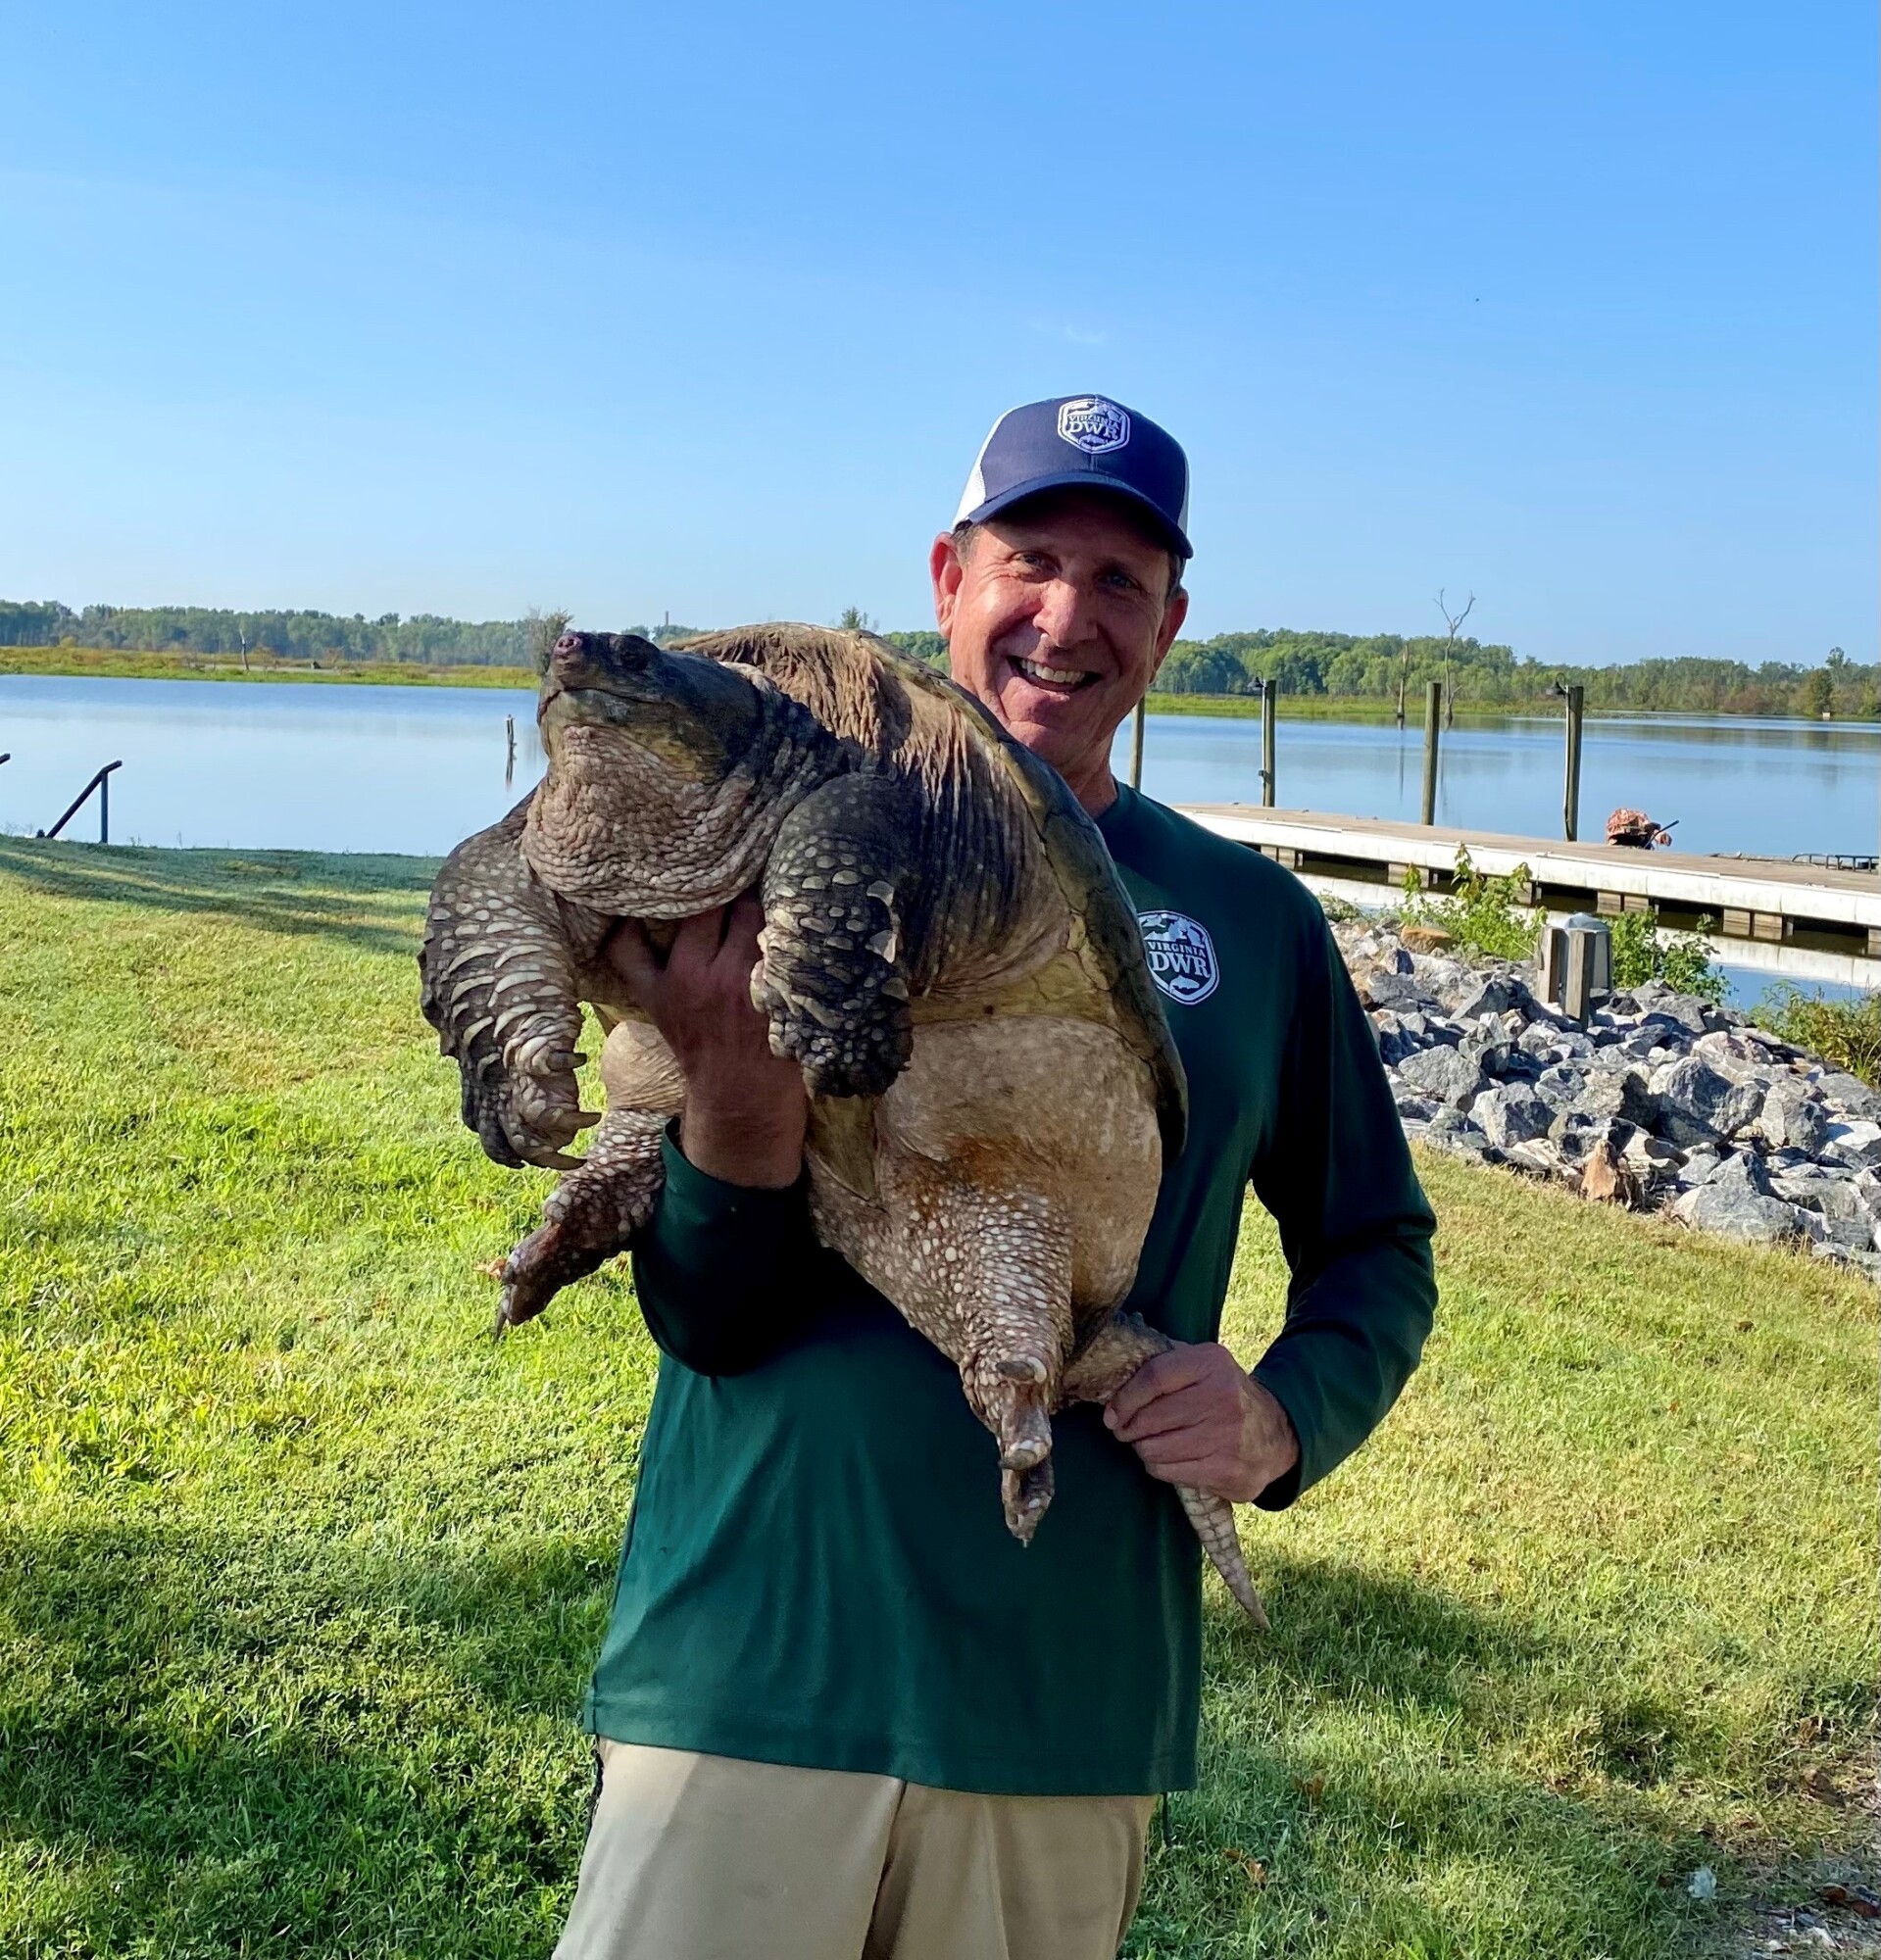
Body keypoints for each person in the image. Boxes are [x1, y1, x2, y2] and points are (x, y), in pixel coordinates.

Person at [553, 396, 1438, 1960]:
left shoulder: (1250, 922)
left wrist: (1286, 1416)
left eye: (1119, 580)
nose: (1066, 616)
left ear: (1170, 625)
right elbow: (707, 1317)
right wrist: (730, 1090)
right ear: (948, 576)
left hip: (1062, 1705)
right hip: (750, 1657)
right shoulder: (762, 842)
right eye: (1030, 561)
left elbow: (1377, 1242)